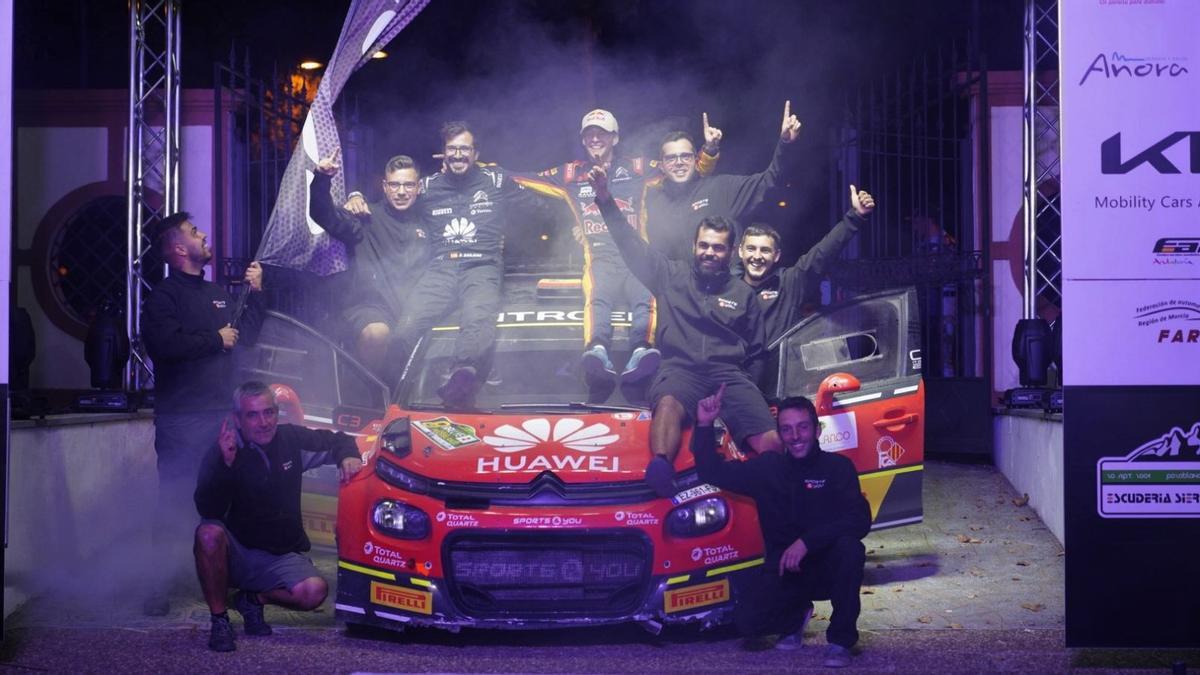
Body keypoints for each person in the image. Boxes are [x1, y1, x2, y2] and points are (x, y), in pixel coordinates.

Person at [590, 165, 781, 497]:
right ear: (694, 246)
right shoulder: (670, 276)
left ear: (730, 252)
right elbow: (630, 244)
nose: (709, 252)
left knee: (773, 446)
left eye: (717, 248)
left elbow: (757, 352)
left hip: (728, 376)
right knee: (666, 403)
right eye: (703, 245)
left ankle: (760, 493)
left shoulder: (742, 294)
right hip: (680, 371)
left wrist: (754, 396)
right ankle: (661, 468)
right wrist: (605, 200)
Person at [518, 109, 719, 382]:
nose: (595, 139)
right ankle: (596, 350)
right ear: (583, 140)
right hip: (600, 257)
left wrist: (709, 151)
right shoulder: (570, 174)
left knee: (645, 298)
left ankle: (641, 350)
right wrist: (482, 170)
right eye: (590, 134)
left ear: (615, 138)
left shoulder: (637, 168)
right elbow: (522, 178)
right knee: (597, 297)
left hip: (637, 255)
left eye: (602, 134)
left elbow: (687, 171)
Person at [691, 388, 870, 668]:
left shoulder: (838, 468)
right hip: (787, 569)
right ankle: (793, 618)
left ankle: (841, 641)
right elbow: (712, 472)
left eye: (802, 427)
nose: (795, 436)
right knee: (748, 624)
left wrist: (807, 542)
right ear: (780, 434)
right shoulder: (767, 468)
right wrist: (704, 424)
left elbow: (859, 520)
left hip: (828, 567)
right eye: (787, 429)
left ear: (817, 430)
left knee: (851, 549)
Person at [141, 211, 262, 616]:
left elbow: (245, 337)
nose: (204, 234)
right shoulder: (164, 297)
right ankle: (157, 586)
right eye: (195, 232)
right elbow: (163, 346)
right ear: (179, 248)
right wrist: (214, 339)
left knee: (226, 502)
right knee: (176, 500)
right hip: (182, 419)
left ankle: (224, 582)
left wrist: (256, 294)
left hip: (221, 416)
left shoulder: (216, 293)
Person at [193, 381, 365, 651]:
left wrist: (348, 456)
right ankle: (220, 620)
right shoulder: (223, 449)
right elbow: (208, 511)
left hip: (280, 555)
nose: (263, 423)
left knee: (314, 591)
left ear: (276, 413)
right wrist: (226, 466)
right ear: (238, 419)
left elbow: (339, 440)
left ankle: (252, 599)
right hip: (237, 555)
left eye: (269, 412)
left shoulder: (291, 439)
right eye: (253, 415)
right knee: (208, 533)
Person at [393, 120, 551, 404]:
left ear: (476, 153)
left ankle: (461, 377)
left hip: (482, 265)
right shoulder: (426, 187)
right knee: (405, 328)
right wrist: (356, 197)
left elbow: (542, 205)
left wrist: (576, 226)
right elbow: (392, 204)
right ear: (443, 153)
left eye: (464, 149)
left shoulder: (496, 180)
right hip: (440, 268)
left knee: (477, 318)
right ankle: (399, 393)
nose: (458, 155)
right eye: (452, 149)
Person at [309, 149, 428, 373]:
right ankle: (366, 391)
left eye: (408, 185)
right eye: (395, 185)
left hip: (412, 310)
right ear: (385, 186)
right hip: (370, 308)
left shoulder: (427, 222)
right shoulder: (365, 217)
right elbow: (323, 215)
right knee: (377, 333)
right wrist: (322, 178)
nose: (401, 192)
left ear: (418, 187)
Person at [740, 185, 875, 383]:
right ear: (740, 251)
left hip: (780, 384)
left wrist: (855, 216)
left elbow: (823, 253)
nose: (757, 256)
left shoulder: (790, 283)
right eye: (751, 248)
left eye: (765, 250)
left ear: (776, 256)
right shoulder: (728, 289)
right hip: (738, 385)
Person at [642, 102, 802, 264]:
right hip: (682, 280)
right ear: (661, 166)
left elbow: (770, 181)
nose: (679, 162)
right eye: (671, 158)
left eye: (685, 156)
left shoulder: (722, 188)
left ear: (695, 159)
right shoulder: (652, 201)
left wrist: (785, 144)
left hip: (725, 279)